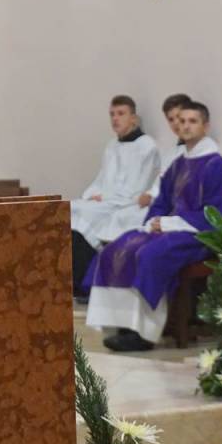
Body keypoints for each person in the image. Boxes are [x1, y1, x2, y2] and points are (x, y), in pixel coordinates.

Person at [84, 100, 222, 351]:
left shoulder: (217, 166)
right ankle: (123, 324)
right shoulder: (179, 163)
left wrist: (169, 223)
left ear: (205, 126)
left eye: (192, 121)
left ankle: (145, 333)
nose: (185, 126)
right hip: (170, 229)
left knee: (149, 254)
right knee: (118, 247)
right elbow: (162, 201)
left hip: (198, 235)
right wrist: (153, 222)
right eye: (182, 121)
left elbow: (216, 215)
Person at [70, 95, 160, 298]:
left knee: (81, 214)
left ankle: (86, 285)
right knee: (71, 208)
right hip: (107, 200)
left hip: (126, 203)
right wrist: (93, 194)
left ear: (133, 118)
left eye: (121, 114)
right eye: (112, 114)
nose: (115, 119)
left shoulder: (146, 146)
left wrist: (107, 197)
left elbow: (138, 185)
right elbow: (102, 178)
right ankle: (75, 280)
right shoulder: (112, 145)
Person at [138, 93, 191, 208]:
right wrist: (149, 195)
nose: (175, 123)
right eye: (171, 119)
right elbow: (159, 185)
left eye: (179, 116)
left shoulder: (205, 150)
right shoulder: (169, 155)